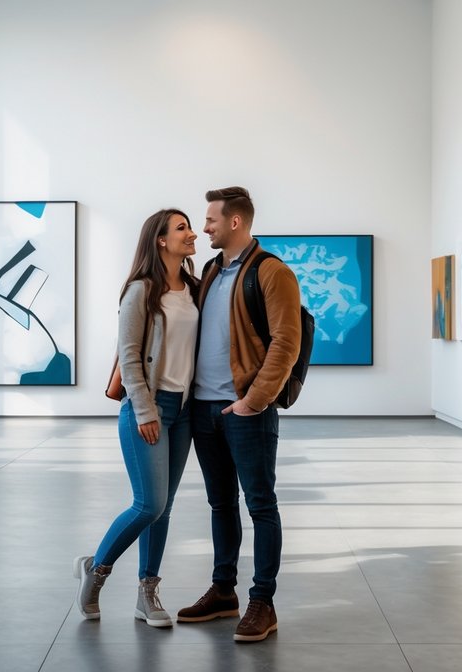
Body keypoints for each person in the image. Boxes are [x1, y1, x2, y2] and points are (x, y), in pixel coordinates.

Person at [177, 186, 301, 643]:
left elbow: (287, 343)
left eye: (209, 219)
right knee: (220, 504)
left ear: (234, 223)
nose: (202, 226)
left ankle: (262, 602)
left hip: (246, 411)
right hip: (205, 410)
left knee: (260, 504)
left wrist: (254, 401)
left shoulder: (271, 272)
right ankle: (224, 591)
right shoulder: (210, 270)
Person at [74, 208, 200, 628]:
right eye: (182, 228)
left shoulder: (195, 288)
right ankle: (97, 570)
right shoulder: (141, 291)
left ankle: (147, 594)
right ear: (160, 240)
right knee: (149, 503)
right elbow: (129, 356)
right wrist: (145, 408)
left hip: (182, 411)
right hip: (148, 407)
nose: (192, 232)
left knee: (163, 509)